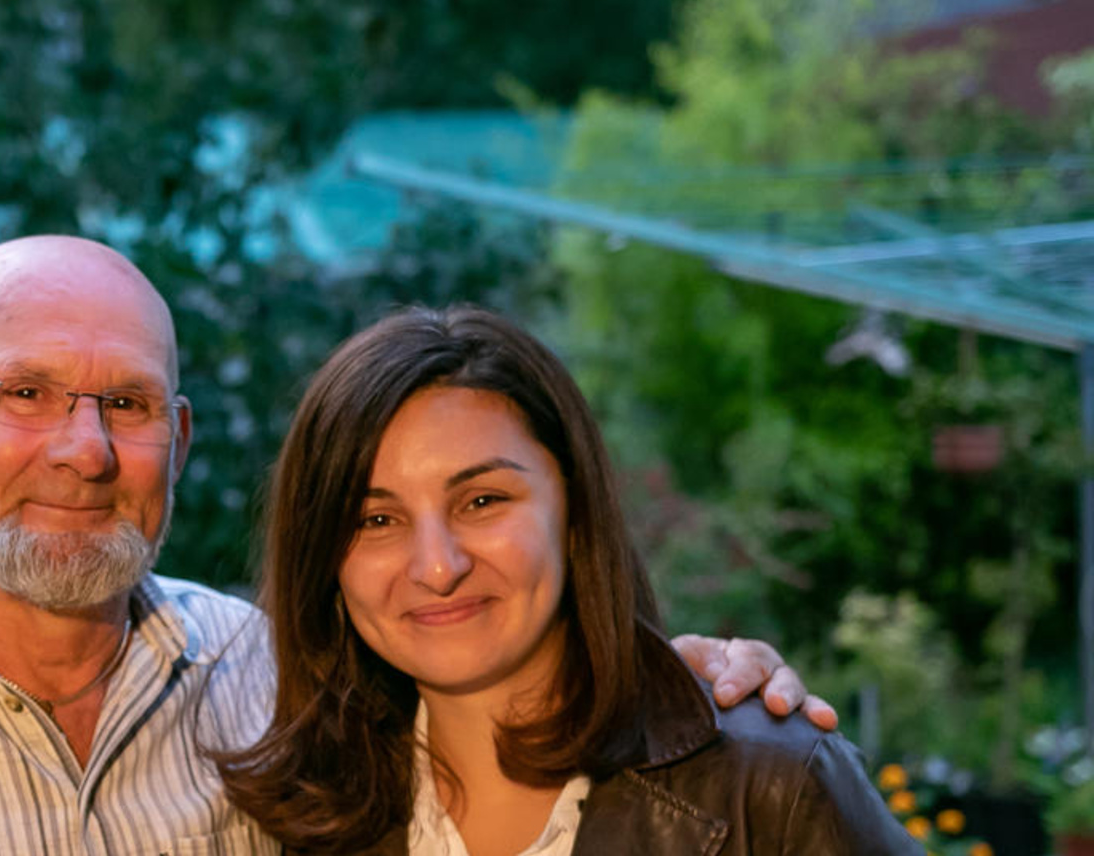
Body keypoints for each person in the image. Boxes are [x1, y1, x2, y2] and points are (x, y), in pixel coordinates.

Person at [0, 238, 835, 855]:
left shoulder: (279, 688)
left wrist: (696, 681)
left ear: (176, 440)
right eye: (24, 394)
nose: (82, 449)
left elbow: (531, 695)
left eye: (124, 405)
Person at [216, 306, 916, 855]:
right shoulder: (299, 826)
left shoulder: (772, 785)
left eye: (483, 501)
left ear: (574, 508)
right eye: (375, 519)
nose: (437, 565)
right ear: (324, 560)